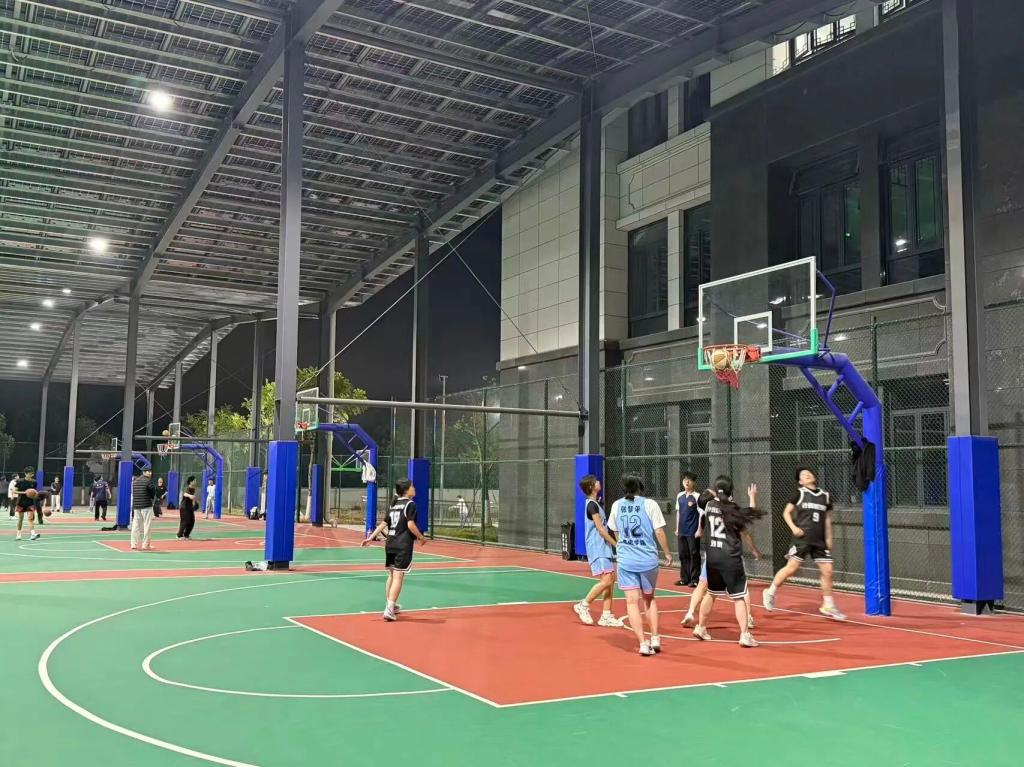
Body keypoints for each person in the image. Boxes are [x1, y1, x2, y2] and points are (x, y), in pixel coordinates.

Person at [762, 467, 846, 621]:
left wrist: (829, 538)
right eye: (803, 475)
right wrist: (794, 528)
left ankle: (828, 605)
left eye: (809, 473)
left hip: (819, 540)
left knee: (827, 570)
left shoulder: (825, 496)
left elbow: (827, 520)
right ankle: (770, 592)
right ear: (800, 482)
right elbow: (786, 513)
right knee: (792, 568)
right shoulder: (799, 494)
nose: (807, 475)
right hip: (803, 538)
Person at [692, 476, 764, 648]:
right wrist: (752, 497)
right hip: (730, 558)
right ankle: (744, 635)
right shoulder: (733, 509)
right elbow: (750, 514)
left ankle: (701, 627)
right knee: (739, 597)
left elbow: (704, 511)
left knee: (711, 593)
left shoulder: (709, 505)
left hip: (713, 557)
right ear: (731, 490)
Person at [607, 473, 672, 656]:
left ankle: (643, 643)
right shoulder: (650, 504)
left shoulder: (617, 505)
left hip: (626, 560)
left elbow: (615, 531)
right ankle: (655, 637)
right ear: (641, 487)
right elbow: (659, 531)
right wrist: (667, 553)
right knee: (649, 599)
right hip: (647, 559)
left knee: (631, 602)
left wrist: (622, 545)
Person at [361, 478, 427, 621]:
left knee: (391, 575)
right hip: (402, 545)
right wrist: (421, 537)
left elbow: (383, 524)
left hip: (390, 544)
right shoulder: (410, 504)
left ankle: (391, 604)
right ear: (407, 490)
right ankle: (389, 609)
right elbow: (410, 525)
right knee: (398, 576)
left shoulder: (394, 504)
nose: (414, 488)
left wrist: (370, 537)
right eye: (412, 486)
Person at [572, 474, 624, 628]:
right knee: (607, 580)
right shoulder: (591, 506)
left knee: (610, 579)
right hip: (597, 547)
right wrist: (616, 544)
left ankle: (606, 615)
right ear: (591, 486)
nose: (599, 482)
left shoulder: (596, 504)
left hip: (603, 547)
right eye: (596, 482)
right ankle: (583, 605)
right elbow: (601, 530)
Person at [675, 471, 701, 586]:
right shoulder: (679, 496)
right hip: (682, 531)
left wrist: (699, 529)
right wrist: (677, 528)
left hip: (692, 531)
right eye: (685, 480)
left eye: (689, 480)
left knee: (694, 554)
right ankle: (684, 579)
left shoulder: (697, 496)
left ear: (693, 482)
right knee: (682, 554)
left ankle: (694, 580)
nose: (687, 482)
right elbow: (678, 513)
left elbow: (701, 514)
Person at [130, 468, 157, 551]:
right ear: (144, 472)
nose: (150, 473)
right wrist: (151, 498)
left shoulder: (135, 482)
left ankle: (133, 544)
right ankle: (145, 545)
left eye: (151, 471)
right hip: (146, 506)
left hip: (137, 506)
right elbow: (153, 492)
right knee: (147, 525)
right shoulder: (148, 481)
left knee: (136, 525)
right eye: (148, 472)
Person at [13, 471, 39, 541]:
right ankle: (18, 534)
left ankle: (33, 534)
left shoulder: (34, 482)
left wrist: (36, 495)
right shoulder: (20, 481)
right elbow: (14, 491)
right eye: (30, 474)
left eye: (32, 474)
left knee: (30, 518)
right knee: (20, 519)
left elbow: (34, 493)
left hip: (30, 502)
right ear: (25, 474)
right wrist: (25, 492)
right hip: (21, 502)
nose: (31, 475)